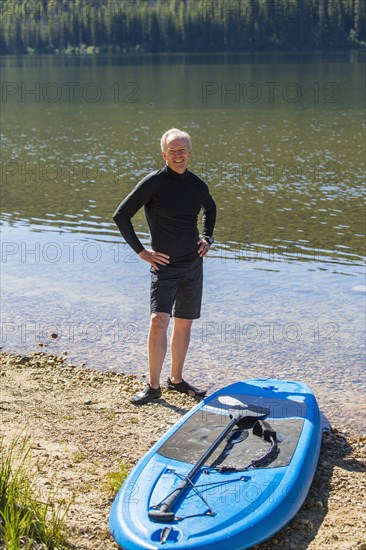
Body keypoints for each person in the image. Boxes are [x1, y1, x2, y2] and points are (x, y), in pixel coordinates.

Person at [113, 128, 216, 405]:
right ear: (164, 154)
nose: (178, 155)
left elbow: (211, 209)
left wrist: (207, 237)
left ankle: (177, 380)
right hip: (165, 266)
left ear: (190, 153)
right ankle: (153, 386)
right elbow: (121, 215)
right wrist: (142, 252)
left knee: (184, 323)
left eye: (183, 150)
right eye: (173, 151)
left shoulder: (197, 185)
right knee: (158, 321)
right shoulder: (154, 183)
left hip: (193, 265)